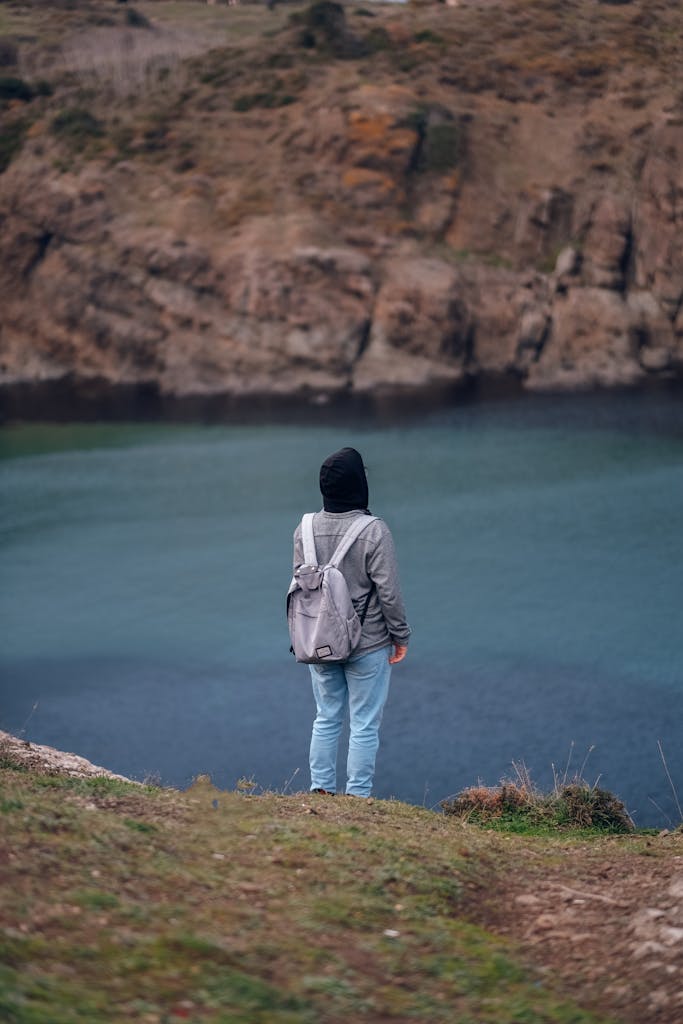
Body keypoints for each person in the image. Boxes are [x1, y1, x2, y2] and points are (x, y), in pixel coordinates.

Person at [292, 447, 411, 798]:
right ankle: (358, 797)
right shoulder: (374, 530)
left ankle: (321, 791)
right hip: (368, 642)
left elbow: (302, 585)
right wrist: (400, 636)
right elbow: (389, 593)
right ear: (359, 484)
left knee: (326, 716)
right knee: (364, 724)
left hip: (318, 640)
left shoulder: (305, 528)